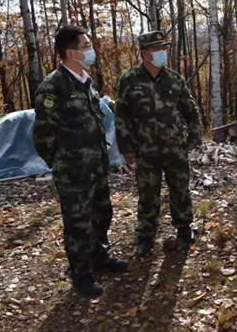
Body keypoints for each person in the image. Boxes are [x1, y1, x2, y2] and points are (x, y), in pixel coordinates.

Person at [32, 26, 127, 297]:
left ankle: (100, 257)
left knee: (102, 214)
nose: (90, 50)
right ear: (70, 52)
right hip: (73, 173)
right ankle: (81, 273)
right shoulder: (53, 87)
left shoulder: (87, 82)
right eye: (85, 46)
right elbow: (42, 134)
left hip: (96, 167)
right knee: (78, 223)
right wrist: (62, 163)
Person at [115, 30, 202, 257]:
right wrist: (126, 147)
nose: (162, 52)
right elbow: (122, 116)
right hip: (145, 148)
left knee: (180, 187)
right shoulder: (129, 80)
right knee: (148, 192)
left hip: (174, 146)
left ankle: (184, 228)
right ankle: (146, 234)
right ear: (144, 52)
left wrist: (194, 136)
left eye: (164, 48)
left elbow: (190, 109)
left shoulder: (174, 78)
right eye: (156, 48)